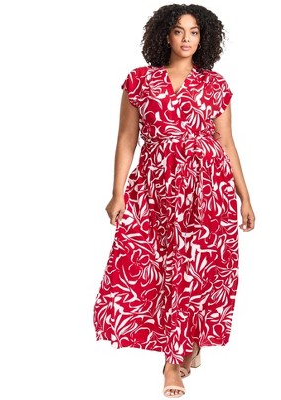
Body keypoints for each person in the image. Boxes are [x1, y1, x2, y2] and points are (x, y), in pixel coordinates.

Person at [93, 3, 255, 398]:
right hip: (156, 190)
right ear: (165, 35)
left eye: (194, 32)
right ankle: (177, 352)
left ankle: (179, 354)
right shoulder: (140, 81)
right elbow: (127, 139)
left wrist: (245, 197)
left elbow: (227, 143)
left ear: (204, 38)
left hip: (208, 190)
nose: (187, 39)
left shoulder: (215, 85)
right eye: (179, 31)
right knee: (159, 269)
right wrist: (117, 193)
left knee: (197, 271)